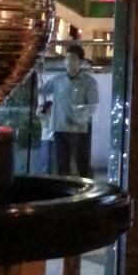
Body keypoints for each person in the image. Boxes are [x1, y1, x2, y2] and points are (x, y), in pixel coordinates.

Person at [43, 41, 100, 177]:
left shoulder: (89, 82)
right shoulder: (57, 80)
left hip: (78, 129)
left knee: (82, 163)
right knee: (62, 164)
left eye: (73, 58)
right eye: (67, 58)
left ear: (81, 62)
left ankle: (87, 187)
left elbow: (93, 105)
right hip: (60, 127)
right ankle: (65, 187)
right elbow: (42, 91)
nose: (69, 62)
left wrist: (79, 118)